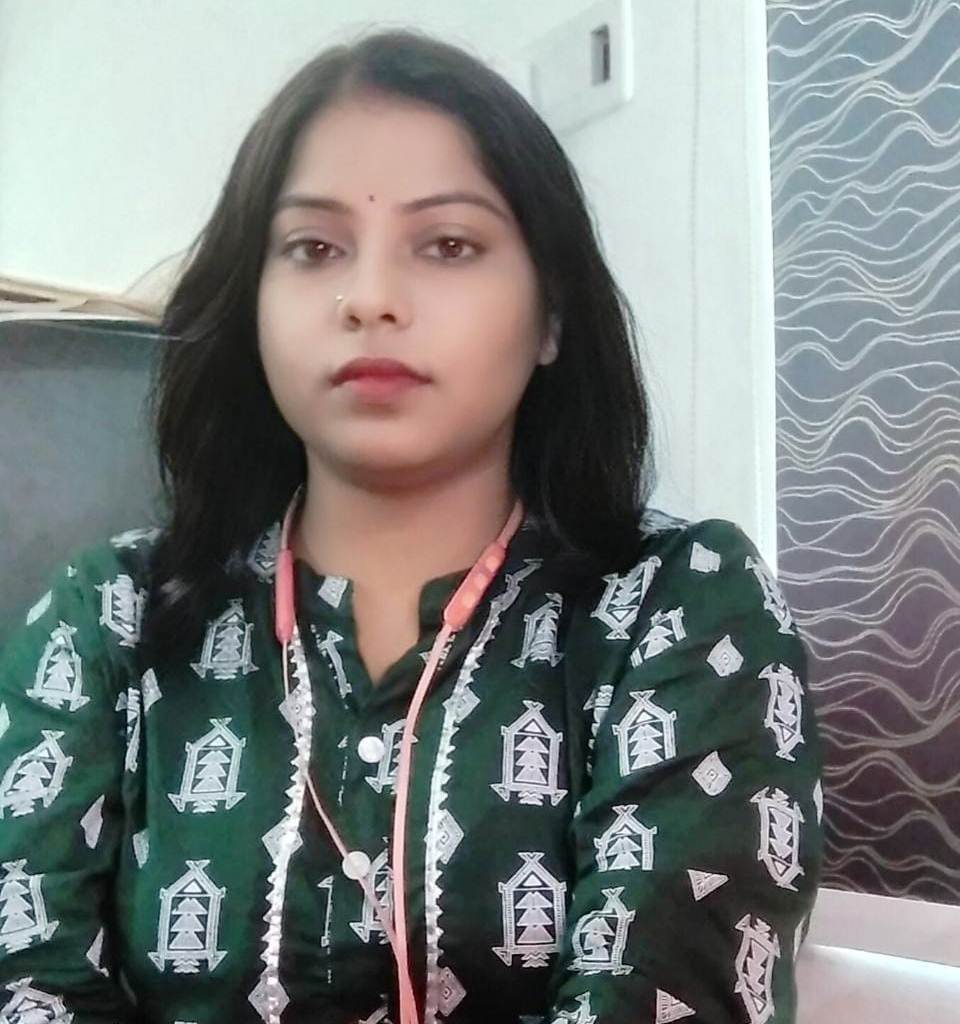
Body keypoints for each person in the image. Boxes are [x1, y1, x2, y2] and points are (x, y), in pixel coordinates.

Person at [0, 26, 824, 1024]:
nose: (372, 299)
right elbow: (25, 984)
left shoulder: (680, 604)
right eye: (314, 248)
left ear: (552, 315)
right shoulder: (108, 619)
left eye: (449, 245)